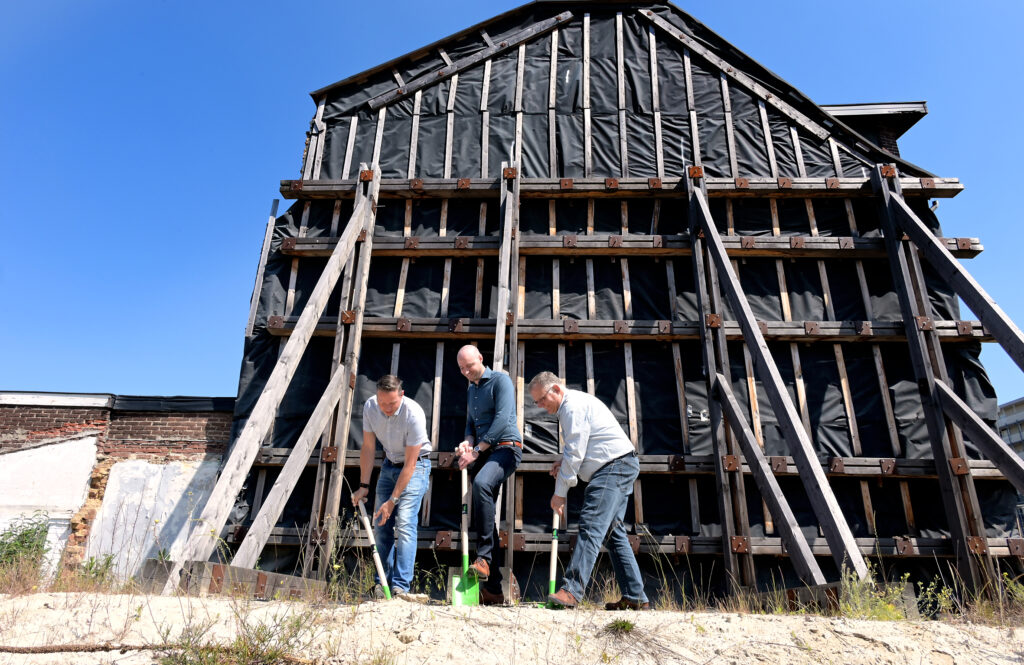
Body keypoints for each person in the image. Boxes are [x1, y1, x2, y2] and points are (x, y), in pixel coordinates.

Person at [527, 371, 649, 611]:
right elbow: (582, 447)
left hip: (613, 467)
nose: (540, 406)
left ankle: (572, 590)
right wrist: (564, 462)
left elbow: (575, 453)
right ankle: (635, 595)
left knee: (591, 525)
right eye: (536, 402)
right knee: (613, 533)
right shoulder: (573, 405)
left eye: (542, 399)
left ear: (556, 390)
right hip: (618, 464)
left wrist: (559, 492)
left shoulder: (572, 407)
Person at [351, 374, 431, 599]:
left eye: (392, 403)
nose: (386, 408)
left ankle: (400, 587)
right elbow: (368, 447)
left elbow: (411, 464)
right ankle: (381, 584)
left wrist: (392, 501)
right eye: (382, 402)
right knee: (380, 522)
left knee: (404, 522)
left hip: (415, 467)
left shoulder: (413, 413)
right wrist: (364, 485)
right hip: (388, 465)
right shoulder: (370, 407)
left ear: (401, 395)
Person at [454, 344, 522, 606]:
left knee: (481, 483)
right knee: (485, 513)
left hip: (506, 449)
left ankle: (483, 559)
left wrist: (478, 450)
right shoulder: (471, 389)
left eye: (469, 366)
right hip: (484, 453)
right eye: (461, 368)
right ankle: (493, 589)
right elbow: (471, 426)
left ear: (480, 359)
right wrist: (467, 444)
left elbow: (504, 418)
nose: (466, 371)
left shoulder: (500, 381)